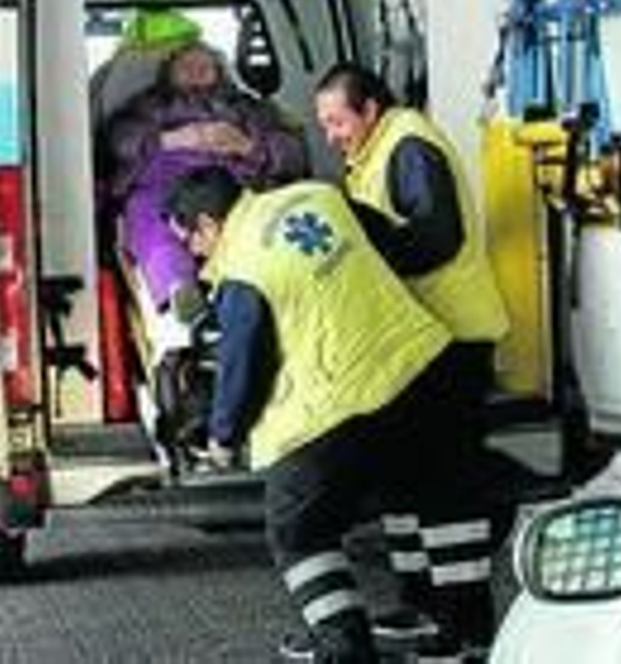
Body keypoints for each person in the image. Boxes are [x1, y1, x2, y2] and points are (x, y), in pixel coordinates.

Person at [164, 166, 497, 662]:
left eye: (190, 238)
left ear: (210, 225)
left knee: (296, 528)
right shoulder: (320, 196)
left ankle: (344, 644)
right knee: (436, 497)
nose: (193, 252)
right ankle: (466, 634)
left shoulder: (244, 272)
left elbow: (244, 364)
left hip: (339, 404)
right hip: (422, 368)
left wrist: (223, 436)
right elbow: (389, 246)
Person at [314, 62, 510, 649]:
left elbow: (436, 238)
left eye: (338, 120)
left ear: (370, 108)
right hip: (416, 342)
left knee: (444, 484)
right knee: (402, 476)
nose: (331, 134)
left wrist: (365, 243)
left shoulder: (408, 145)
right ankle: (418, 603)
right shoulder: (375, 153)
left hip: (451, 338)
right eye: (324, 124)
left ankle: (464, 624)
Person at [106, 40, 307, 324]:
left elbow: (291, 154)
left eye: (205, 66)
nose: (196, 72)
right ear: (169, 71)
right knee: (146, 213)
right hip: (165, 178)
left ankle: (264, 285)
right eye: (186, 66)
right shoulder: (150, 105)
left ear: (220, 71)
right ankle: (178, 286)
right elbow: (118, 141)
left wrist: (246, 145)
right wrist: (170, 138)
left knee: (253, 213)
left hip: (229, 175)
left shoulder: (246, 107)